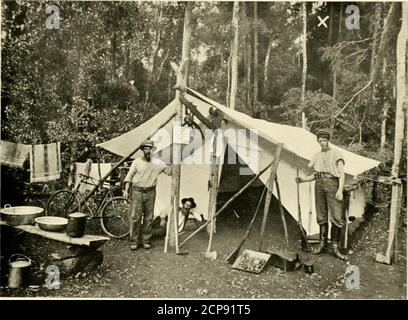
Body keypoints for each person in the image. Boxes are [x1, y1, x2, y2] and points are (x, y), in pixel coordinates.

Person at [295, 129, 348, 260]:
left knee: (336, 214)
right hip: (319, 184)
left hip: (332, 183)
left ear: (328, 140)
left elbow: (342, 173)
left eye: (324, 140)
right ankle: (322, 244)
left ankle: (335, 247)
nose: (322, 143)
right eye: (320, 141)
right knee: (321, 214)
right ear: (318, 141)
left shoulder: (337, 153)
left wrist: (340, 189)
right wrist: (303, 179)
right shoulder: (317, 156)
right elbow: (317, 174)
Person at [123, 139, 171, 251]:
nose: (147, 151)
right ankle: (134, 241)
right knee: (135, 217)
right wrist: (126, 191)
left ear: (152, 150)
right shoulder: (137, 162)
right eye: (145, 148)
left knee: (149, 218)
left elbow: (169, 171)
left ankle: (146, 240)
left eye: (149, 148)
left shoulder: (158, 163)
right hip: (137, 192)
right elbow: (128, 178)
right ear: (142, 150)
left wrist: (176, 163)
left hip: (150, 192)